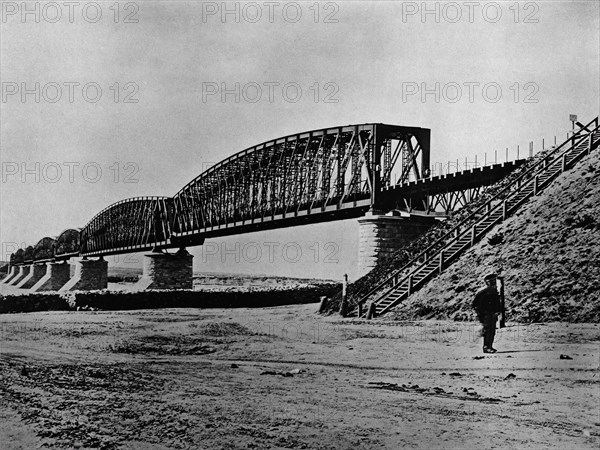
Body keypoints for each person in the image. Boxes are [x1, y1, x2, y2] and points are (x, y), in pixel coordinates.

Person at [472, 272, 503, 353]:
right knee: (488, 331)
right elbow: (476, 305)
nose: (495, 283)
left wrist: (497, 311)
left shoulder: (494, 291)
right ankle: (486, 347)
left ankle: (489, 346)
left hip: (493, 314)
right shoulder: (484, 292)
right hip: (487, 315)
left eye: (495, 281)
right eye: (492, 282)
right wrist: (482, 314)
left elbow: (497, 303)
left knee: (492, 331)